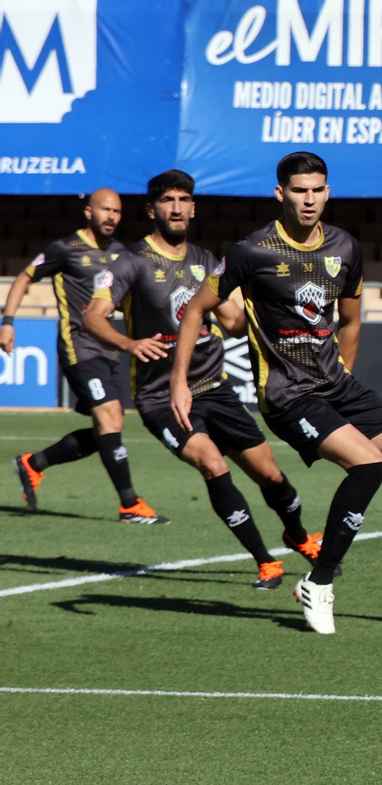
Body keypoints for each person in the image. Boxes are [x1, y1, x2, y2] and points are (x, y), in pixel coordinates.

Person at [170, 151, 382, 634]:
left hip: (336, 386)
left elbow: (352, 319)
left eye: (317, 190)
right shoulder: (251, 251)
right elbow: (196, 310)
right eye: (299, 191)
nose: (309, 199)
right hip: (286, 394)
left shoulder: (346, 246)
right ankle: (318, 583)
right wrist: (179, 382)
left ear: (328, 192)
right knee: (367, 464)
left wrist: (341, 375)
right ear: (280, 194)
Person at [84, 169, 325, 590]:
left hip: (215, 389)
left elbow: (232, 324)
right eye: (167, 201)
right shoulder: (130, 262)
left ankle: (299, 536)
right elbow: (92, 317)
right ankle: (266, 562)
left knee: (269, 474)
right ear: (152, 209)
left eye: (183, 200)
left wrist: (253, 298)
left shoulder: (207, 261)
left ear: (193, 208)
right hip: (162, 397)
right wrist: (129, 344)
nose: (175, 208)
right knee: (212, 464)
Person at [0, 189, 167, 523]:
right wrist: (8, 322)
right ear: (88, 212)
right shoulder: (65, 249)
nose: (112, 217)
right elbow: (24, 278)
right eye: (105, 209)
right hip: (78, 346)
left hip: (110, 348)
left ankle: (33, 464)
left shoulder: (122, 254)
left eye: (117, 211)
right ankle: (130, 504)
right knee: (109, 419)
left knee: (108, 428)